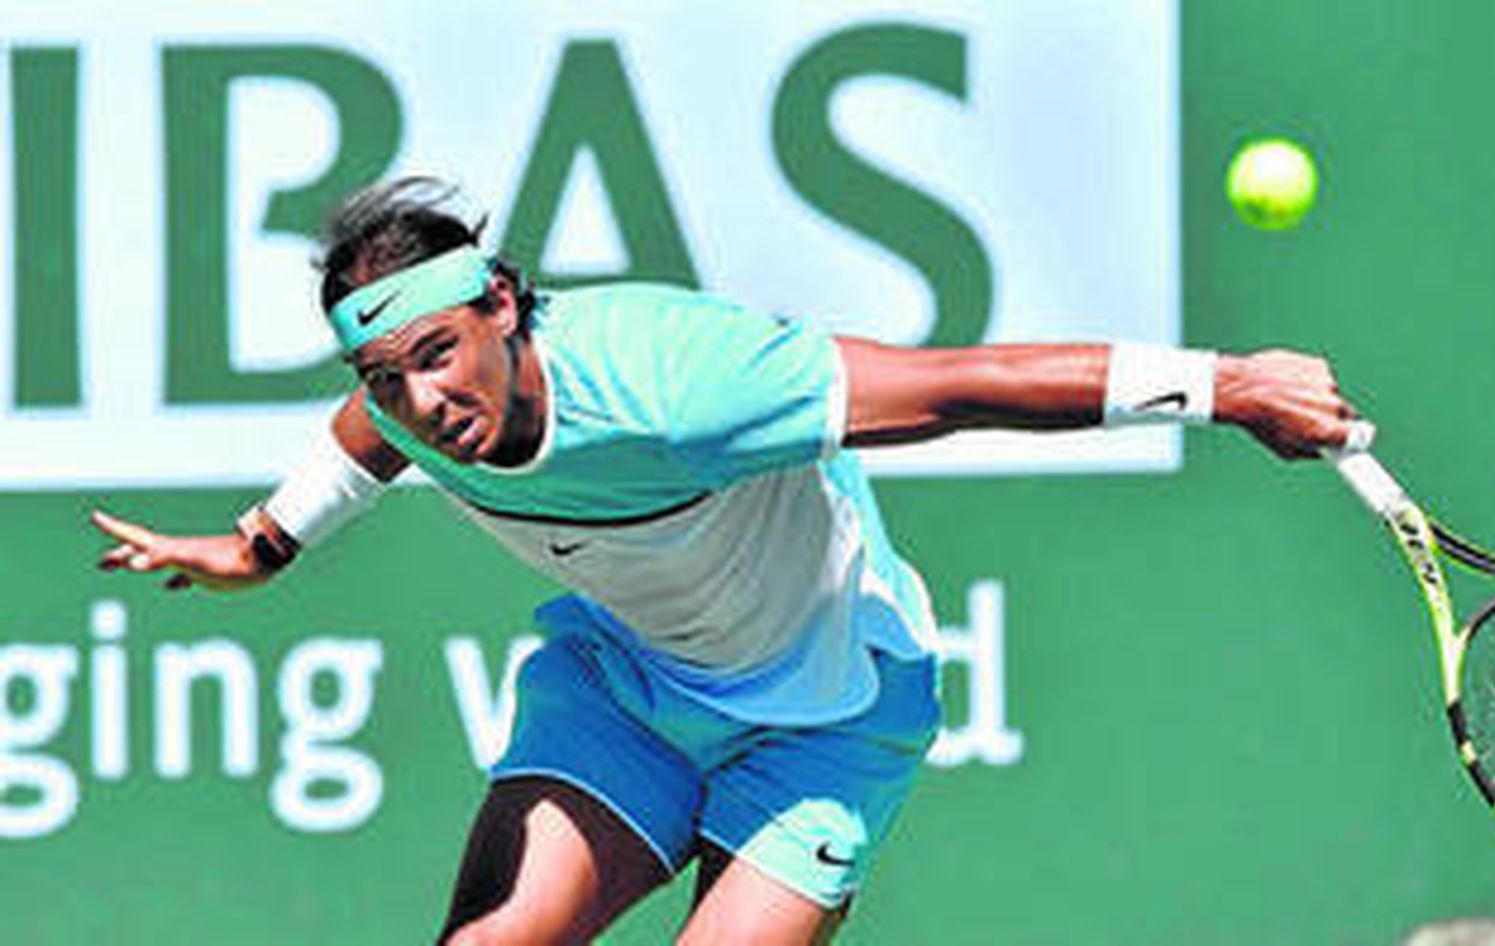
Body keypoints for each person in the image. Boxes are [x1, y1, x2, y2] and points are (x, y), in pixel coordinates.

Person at [92, 177, 1360, 945]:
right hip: (630, 692)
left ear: (503, 307)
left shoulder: (682, 383)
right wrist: (261, 545)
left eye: (436, 355)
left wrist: (1229, 385)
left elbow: (958, 383)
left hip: (828, 716)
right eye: (386, 373)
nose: (420, 400)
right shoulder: (418, 405)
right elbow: (367, 438)